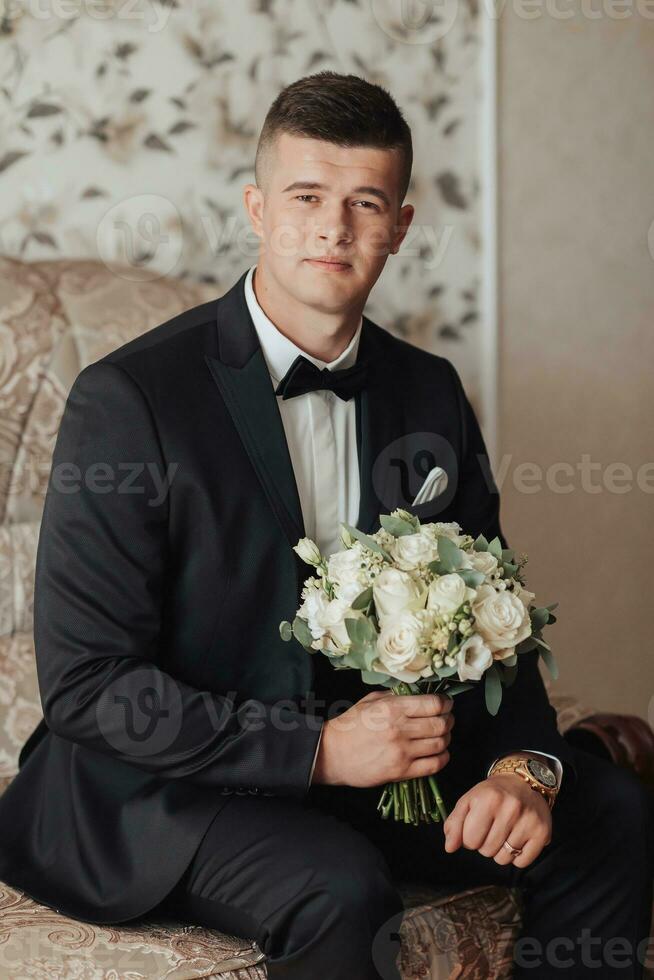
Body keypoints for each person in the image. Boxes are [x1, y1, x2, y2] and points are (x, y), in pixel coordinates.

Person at [0, 71, 651, 979]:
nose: (334, 228)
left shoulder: (429, 392)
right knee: (336, 886)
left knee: (612, 812)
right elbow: (88, 686)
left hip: (377, 773)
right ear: (259, 208)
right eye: (307, 196)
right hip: (162, 792)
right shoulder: (131, 399)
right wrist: (316, 751)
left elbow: (495, 620)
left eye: (365, 203)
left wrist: (525, 770)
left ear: (400, 228)